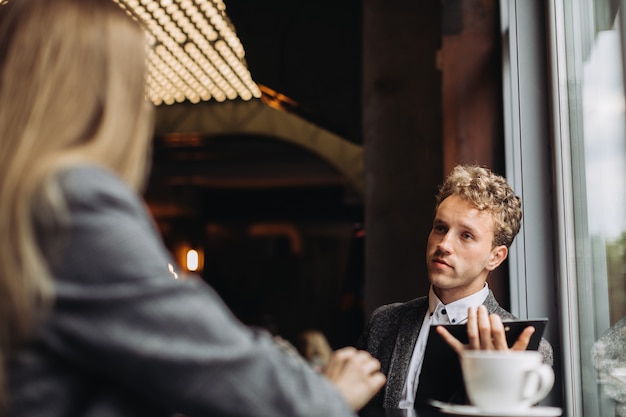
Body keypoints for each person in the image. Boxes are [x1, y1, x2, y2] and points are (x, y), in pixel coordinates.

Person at [0, 0, 385, 416]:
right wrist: (325, 395)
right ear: (107, 95)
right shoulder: (71, 201)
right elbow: (221, 367)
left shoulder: (23, 200)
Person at [356, 164, 553, 408]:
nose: (444, 244)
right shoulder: (384, 323)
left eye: (466, 235)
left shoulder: (524, 348)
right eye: (441, 228)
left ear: (495, 257)